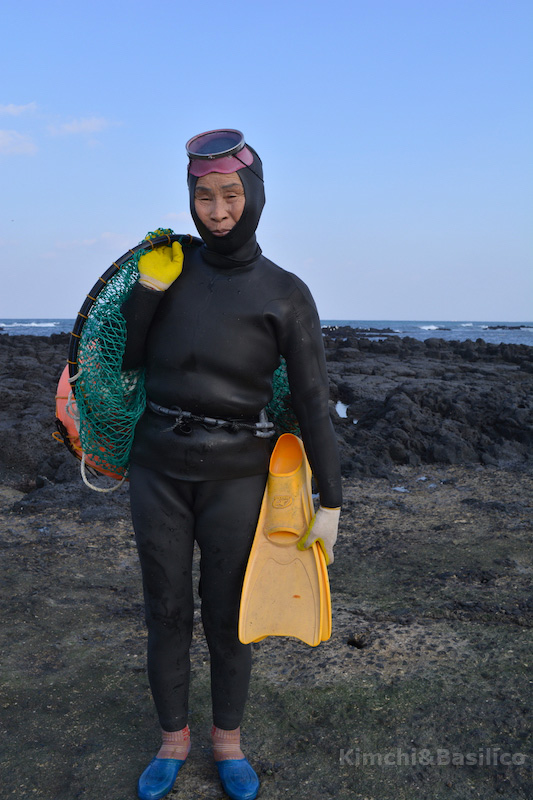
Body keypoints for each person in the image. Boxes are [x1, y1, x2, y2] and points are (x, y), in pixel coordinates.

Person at [120, 129, 342, 800]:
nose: (215, 211)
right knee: (164, 609)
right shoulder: (169, 268)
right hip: (156, 467)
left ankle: (227, 745)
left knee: (226, 614)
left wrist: (328, 502)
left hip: (238, 476)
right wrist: (148, 293)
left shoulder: (284, 293)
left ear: (256, 197)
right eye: (202, 197)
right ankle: (171, 743)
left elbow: (310, 400)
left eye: (228, 196)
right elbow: (129, 360)